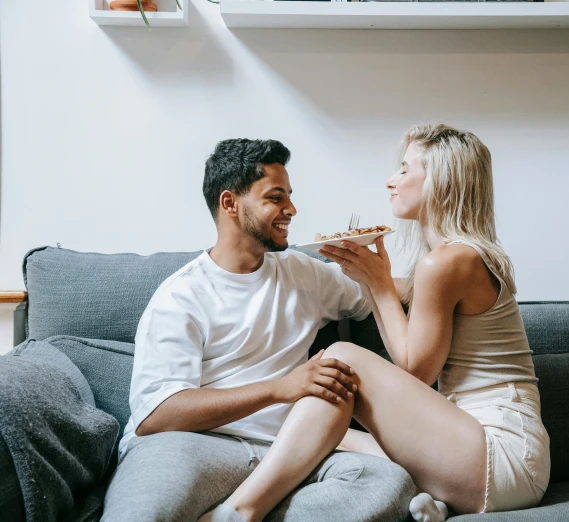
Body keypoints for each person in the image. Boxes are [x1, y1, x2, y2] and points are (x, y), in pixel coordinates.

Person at [217, 124, 551, 522]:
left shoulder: (447, 263)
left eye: (406, 170)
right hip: (472, 447)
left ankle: (239, 512)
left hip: (504, 456)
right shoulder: (451, 260)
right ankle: (433, 501)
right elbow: (399, 308)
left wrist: (377, 283)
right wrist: (365, 278)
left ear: (441, 183)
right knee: (321, 430)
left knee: (340, 360)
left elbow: (417, 371)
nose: (391, 181)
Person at [101, 138, 415, 522]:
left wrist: (450, 273)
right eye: (276, 198)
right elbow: (157, 414)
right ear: (230, 203)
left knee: (387, 484)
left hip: (286, 455)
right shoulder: (181, 296)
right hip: (197, 445)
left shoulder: (303, 272)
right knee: (143, 513)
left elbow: (383, 292)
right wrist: (278, 389)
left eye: (290, 197)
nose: (292, 210)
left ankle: (238, 512)